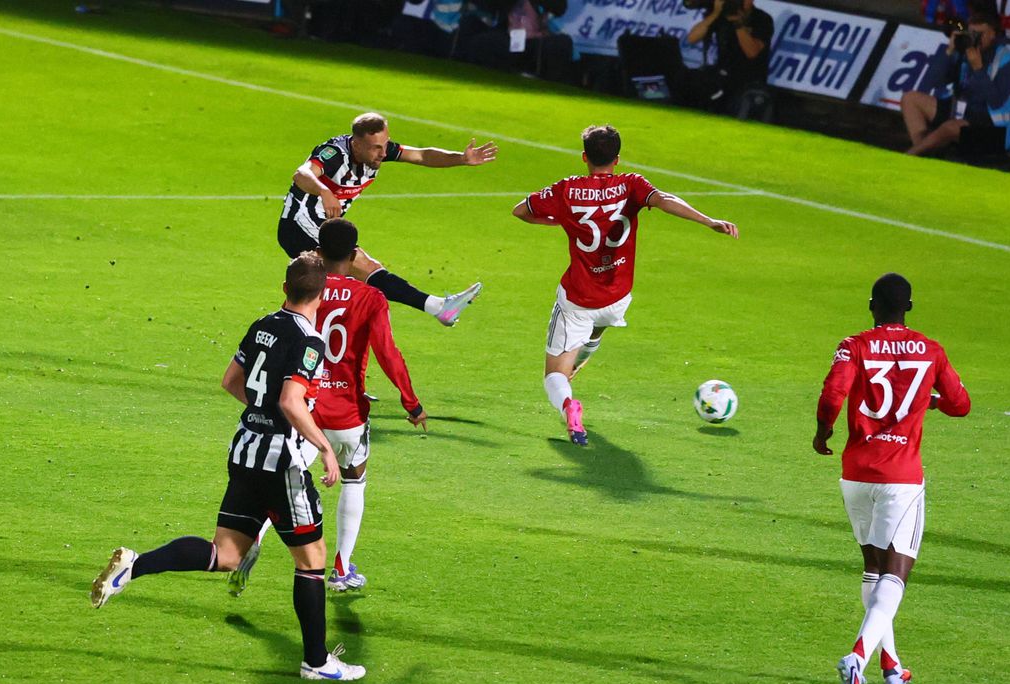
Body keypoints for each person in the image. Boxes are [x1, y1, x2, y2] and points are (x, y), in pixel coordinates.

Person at [91, 253, 366, 682]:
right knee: (311, 563)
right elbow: (292, 402)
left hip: (244, 452)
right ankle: (317, 662)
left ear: (284, 289)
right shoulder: (309, 341)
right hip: (282, 463)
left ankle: (137, 564)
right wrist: (324, 449)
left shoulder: (262, 325)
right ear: (323, 293)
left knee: (227, 554)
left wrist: (261, 411)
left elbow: (230, 381)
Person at [229, 219, 426, 596]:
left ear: (317, 253)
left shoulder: (309, 290)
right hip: (348, 414)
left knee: (284, 485)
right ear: (354, 257)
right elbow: (387, 353)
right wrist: (411, 402)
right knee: (355, 477)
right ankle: (341, 567)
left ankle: (250, 542)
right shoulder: (370, 297)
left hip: (304, 410)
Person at [512, 124, 739, 446]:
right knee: (597, 328)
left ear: (584, 157)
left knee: (555, 375)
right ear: (616, 159)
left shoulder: (567, 189)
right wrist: (709, 221)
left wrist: (560, 221)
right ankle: (582, 355)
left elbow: (521, 211)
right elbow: (663, 199)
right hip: (618, 297)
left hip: (579, 300)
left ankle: (569, 407)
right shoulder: (631, 184)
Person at [813, 272, 971, 684]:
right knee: (896, 574)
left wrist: (823, 431)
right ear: (910, 308)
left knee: (873, 567)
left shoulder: (854, 344)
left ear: (871, 306)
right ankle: (857, 657)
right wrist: (930, 399)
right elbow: (961, 405)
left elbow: (834, 393)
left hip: (856, 471)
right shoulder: (930, 349)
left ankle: (891, 667)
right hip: (901, 476)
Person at [279, 112, 497, 326]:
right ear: (356, 145)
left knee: (340, 286)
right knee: (363, 269)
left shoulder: (378, 151)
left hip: (323, 227)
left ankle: (287, 329)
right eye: (376, 147)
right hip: (299, 224)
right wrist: (324, 192)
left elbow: (421, 155)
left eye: (385, 144)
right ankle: (439, 307)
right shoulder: (334, 153)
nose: (383, 153)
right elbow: (301, 174)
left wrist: (460, 158)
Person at [900, 9, 1010, 157]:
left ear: (993, 34)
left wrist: (978, 69)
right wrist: (949, 50)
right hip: (961, 113)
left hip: (993, 134)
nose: (976, 38)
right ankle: (923, 154)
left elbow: (995, 101)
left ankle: (909, 156)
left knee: (952, 127)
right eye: (972, 33)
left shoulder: (1009, 62)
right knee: (910, 99)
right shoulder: (964, 51)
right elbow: (933, 81)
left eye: (981, 34)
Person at [684, 0, 774, 117]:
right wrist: (715, 14)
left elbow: (751, 52)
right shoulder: (723, 14)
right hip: (722, 76)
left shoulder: (762, 19)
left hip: (749, 80)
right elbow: (692, 38)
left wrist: (738, 24)